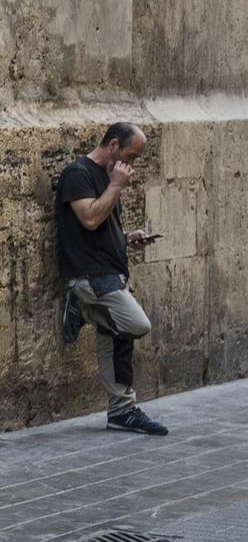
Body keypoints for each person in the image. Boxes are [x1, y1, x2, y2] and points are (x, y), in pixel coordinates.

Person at [55, 122, 165, 435]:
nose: (131, 165)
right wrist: (115, 185)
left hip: (111, 273)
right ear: (113, 144)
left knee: (118, 342)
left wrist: (127, 237)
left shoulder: (107, 176)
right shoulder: (78, 174)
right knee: (137, 324)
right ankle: (81, 305)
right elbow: (89, 218)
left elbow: (101, 228)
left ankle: (122, 411)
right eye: (130, 156)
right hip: (91, 277)